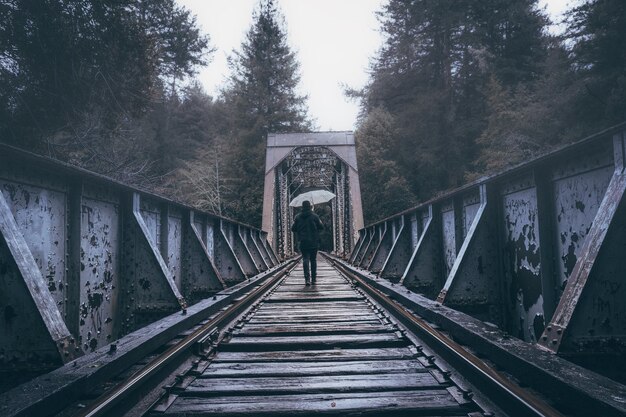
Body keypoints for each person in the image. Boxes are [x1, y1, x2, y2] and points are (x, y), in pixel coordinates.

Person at [291, 200, 324, 285]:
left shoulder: (297, 217)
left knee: (305, 259)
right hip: (313, 241)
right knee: (313, 260)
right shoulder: (315, 216)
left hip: (303, 241)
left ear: (302, 207)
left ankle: (307, 279)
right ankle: (313, 279)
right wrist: (319, 222)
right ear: (310, 207)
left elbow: (293, 229)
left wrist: (297, 225)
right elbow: (321, 227)